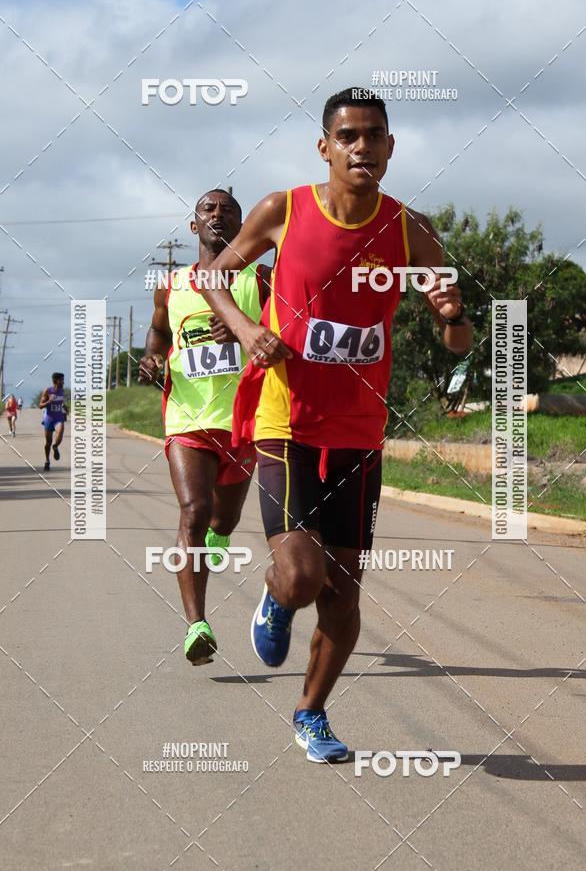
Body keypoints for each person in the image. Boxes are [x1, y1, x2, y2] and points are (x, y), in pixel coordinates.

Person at [199, 88, 473, 762]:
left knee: (344, 591)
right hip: (287, 417)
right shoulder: (281, 210)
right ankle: (275, 599)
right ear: (324, 147)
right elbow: (211, 276)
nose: (361, 147)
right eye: (347, 136)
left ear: (390, 147)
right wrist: (246, 327)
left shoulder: (412, 229)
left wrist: (451, 314)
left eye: (373, 135)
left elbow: (460, 347)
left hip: (359, 431)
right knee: (299, 575)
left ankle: (311, 713)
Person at [139, 189, 269, 666]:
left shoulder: (263, 280)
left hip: (243, 420)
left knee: (223, 519)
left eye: (229, 210)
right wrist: (153, 357)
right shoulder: (170, 286)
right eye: (208, 209)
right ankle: (197, 624)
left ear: (242, 227)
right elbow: (158, 332)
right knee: (193, 510)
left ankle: (220, 536)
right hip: (187, 419)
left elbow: (289, 328)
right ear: (194, 226)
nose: (218, 214)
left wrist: (243, 326)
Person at [39, 373, 68, 470]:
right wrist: (49, 401)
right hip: (49, 418)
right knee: (48, 442)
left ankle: (55, 447)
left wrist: (65, 407)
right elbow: (40, 406)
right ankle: (47, 460)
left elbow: (61, 402)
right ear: (57, 380)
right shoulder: (48, 391)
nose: (64, 382)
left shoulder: (62, 390)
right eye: (62, 380)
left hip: (59, 417)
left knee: (59, 435)